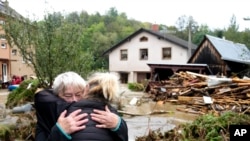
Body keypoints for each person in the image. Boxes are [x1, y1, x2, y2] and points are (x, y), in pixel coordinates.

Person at [34, 71, 128, 141]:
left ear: (86, 91)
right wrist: (60, 131)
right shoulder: (47, 113)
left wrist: (119, 124)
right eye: (68, 96)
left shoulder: (105, 111)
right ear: (56, 95)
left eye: (78, 95)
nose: (74, 100)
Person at [64, 72, 128, 140]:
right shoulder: (114, 117)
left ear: (86, 88)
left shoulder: (67, 111)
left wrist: (59, 130)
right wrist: (119, 125)